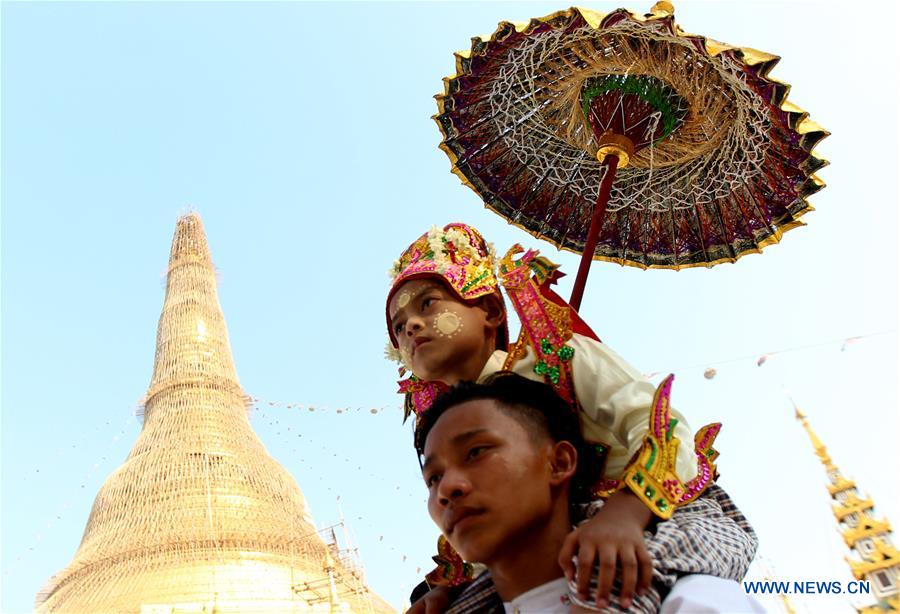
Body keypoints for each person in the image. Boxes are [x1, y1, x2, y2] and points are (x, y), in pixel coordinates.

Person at [386, 223, 759, 612]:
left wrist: (626, 512)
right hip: (552, 545)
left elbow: (659, 427)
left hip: (660, 514)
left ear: (492, 311)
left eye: (428, 304)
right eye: (398, 326)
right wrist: (452, 592)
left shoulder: (556, 355)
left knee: (611, 583)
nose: (411, 326)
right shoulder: (442, 429)